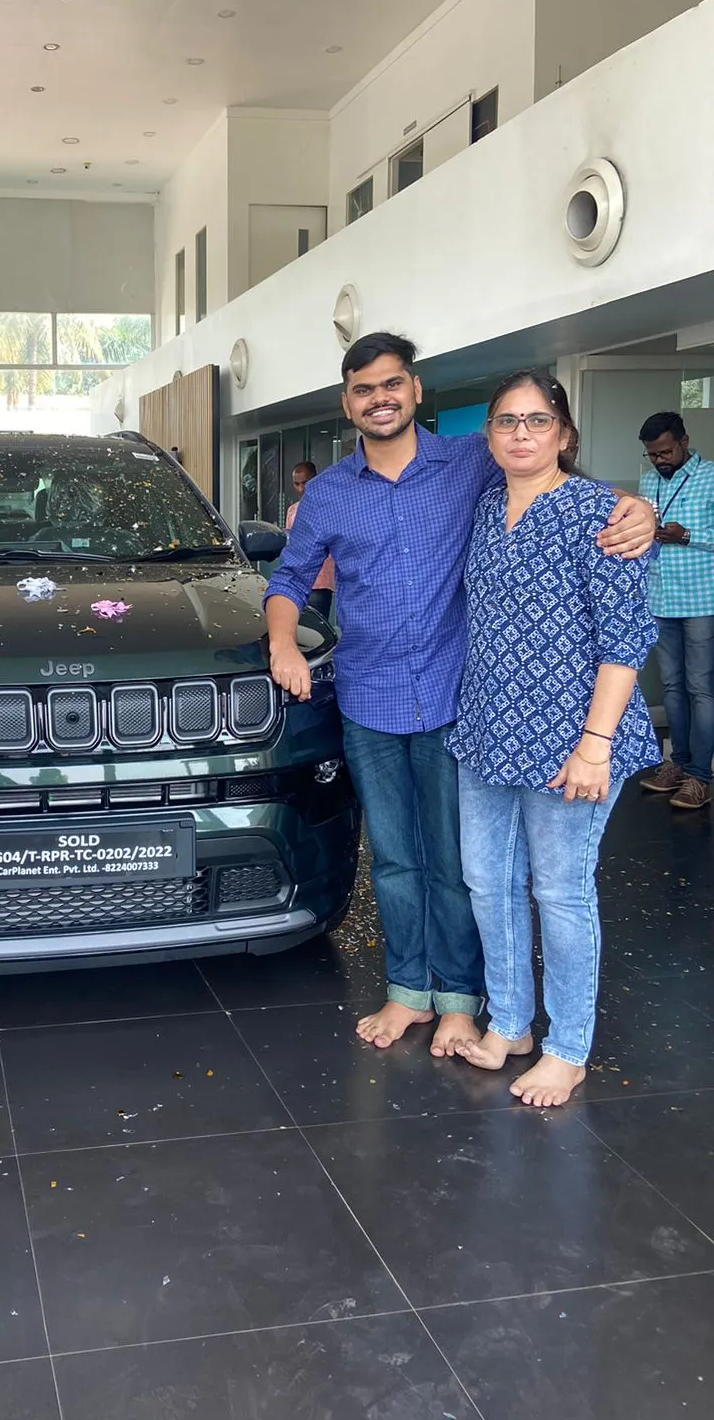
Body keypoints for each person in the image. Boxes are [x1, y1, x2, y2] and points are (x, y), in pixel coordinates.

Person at [265, 332, 655, 1057]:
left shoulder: (470, 460)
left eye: (392, 383)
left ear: (415, 390)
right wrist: (283, 644)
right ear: (347, 404)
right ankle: (410, 991)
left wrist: (639, 511)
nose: (380, 398)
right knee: (396, 860)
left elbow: (560, 480)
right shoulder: (329, 493)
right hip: (376, 698)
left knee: (459, 865)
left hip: (456, 701)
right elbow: (289, 577)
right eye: (363, 389)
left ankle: (461, 1001)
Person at [450, 373, 659, 1107]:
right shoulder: (485, 509)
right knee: (488, 881)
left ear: (564, 434)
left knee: (561, 891)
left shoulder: (602, 513)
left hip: (573, 736)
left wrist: (596, 743)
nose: (521, 433)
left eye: (537, 421)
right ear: (489, 435)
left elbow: (626, 639)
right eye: (507, 421)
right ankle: (510, 1024)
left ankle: (568, 1048)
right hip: (487, 729)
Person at [635, 411, 714, 811]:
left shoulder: (711, 477)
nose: (659, 460)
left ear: (684, 442)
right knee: (671, 686)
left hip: (702, 598)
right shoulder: (649, 482)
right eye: (652, 455)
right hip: (660, 596)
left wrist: (688, 536)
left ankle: (701, 776)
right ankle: (677, 764)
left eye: (665, 452)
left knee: (700, 688)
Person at [285, 462, 335, 618]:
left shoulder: (329, 507)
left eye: (305, 483)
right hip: (296, 582)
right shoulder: (292, 510)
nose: (301, 488)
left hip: (319, 582)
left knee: (316, 627)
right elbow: (290, 544)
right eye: (296, 484)